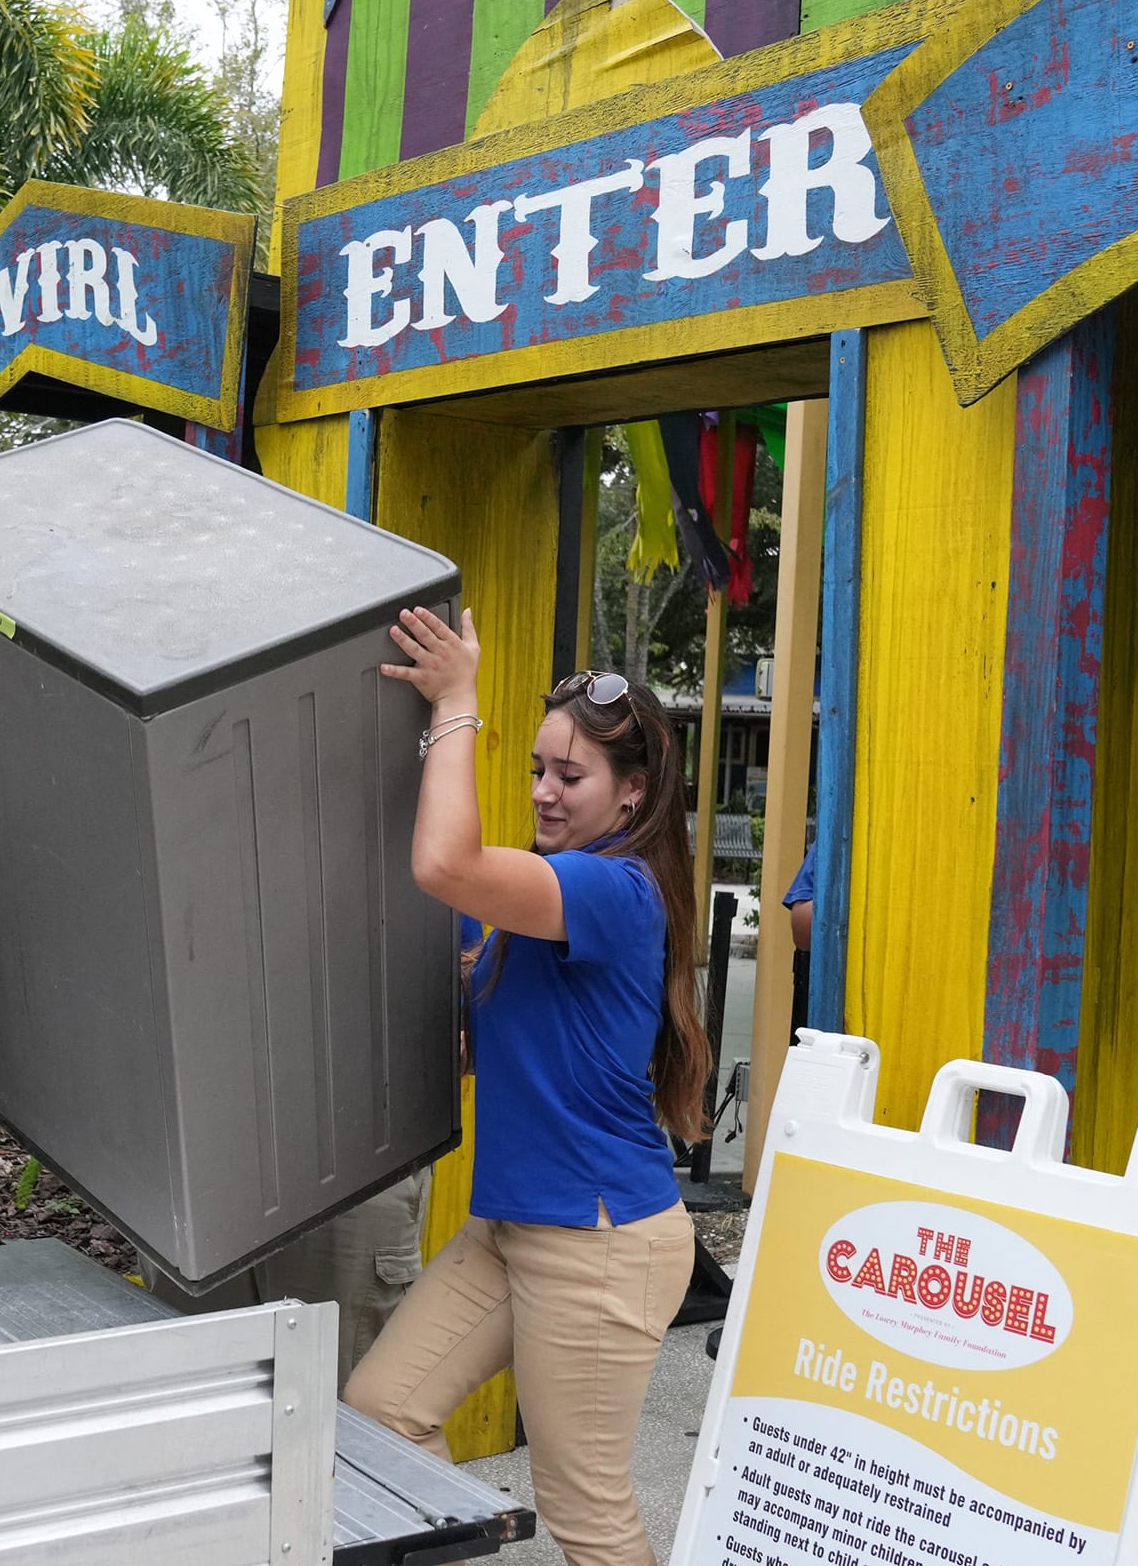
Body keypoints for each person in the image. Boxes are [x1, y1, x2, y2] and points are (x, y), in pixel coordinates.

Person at [346, 608, 708, 1566]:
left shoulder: (611, 890)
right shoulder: (540, 899)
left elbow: (445, 863)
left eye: (572, 777)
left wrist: (456, 700)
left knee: (586, 1517)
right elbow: (482, 1033)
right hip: (515, 1226)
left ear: (632, 795)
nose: (545, 793)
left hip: (599, 1243)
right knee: (381, 1414)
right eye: (537, 771)